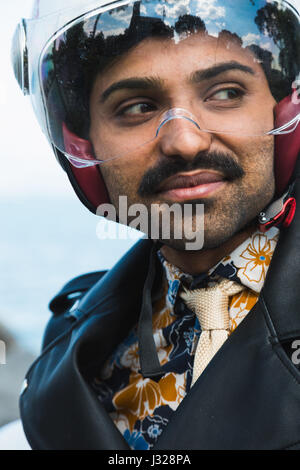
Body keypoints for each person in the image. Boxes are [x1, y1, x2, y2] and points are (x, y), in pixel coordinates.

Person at [12, 0, 300, 450]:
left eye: (225, 93)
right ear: (84, 147)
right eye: (137, 107)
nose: (185, 141)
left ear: (282, 111)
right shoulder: (74, 359)